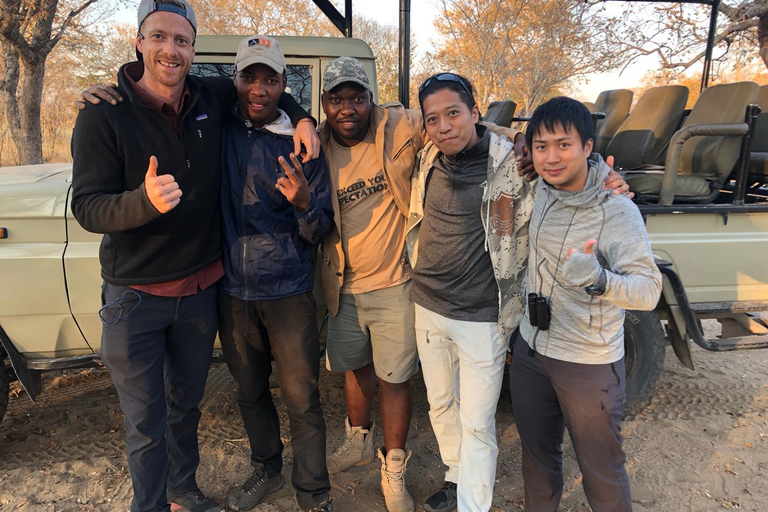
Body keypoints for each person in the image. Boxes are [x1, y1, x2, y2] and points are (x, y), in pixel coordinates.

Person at [70, 2, 316, 510]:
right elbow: (87, 207)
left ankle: (183, 493)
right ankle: (152, 505)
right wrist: (143, 203)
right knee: (145, 422)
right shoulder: (103, 115)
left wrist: (304, 116)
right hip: (136, 297)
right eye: (159, 37)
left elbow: (267, 91)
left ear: (193, 49)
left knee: (185, 409)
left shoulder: (210, 95)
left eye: (181, 41)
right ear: (139, 42)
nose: (171, 50)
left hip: (201, 293)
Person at [406, 75, 630, 512]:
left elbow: (566, 164)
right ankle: (456, 476)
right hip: (427, 305)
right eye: (433, 119)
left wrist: (606, 173)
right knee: (439, 406)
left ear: (476, 113)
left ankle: (473, 504)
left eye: (454, 113)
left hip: (482, 314)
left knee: (477, 422)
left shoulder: (515, 161)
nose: (444, 126)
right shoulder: (427, 155)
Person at [317, 58, 524, 512]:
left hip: (447, 301)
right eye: (337, 98)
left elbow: (464, 122)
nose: (443, 125)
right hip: (399, 297)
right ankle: (443, 475)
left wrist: (520, 137)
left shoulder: (500, 159)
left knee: (461, 412)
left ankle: (441, 489)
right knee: (432, 402)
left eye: (357, 97)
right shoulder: (323, 143)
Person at [509, 96, 662, 512]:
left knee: (601, 472)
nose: (552, 157)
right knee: (538, 461)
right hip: (531, 350)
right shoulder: (540, 186)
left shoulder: (616, 209)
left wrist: (597, 279)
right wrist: (520, 140)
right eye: (542, 146)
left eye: (564, 145)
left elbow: (649, 290)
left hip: (587, 363)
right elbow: (482, 129)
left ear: (588, 148)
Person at [215, 36, 334, 512]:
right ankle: (266, 468)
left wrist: (305, 206)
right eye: (250, 77)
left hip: (288, 290)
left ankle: (314, 495)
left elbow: (321, 228)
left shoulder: (302, 145)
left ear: (284, 83)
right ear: (236, 81)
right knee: (248, 392)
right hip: (232, 291)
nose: (259, 88)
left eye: (271, 79)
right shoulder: (218, 130)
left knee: (302, 398)